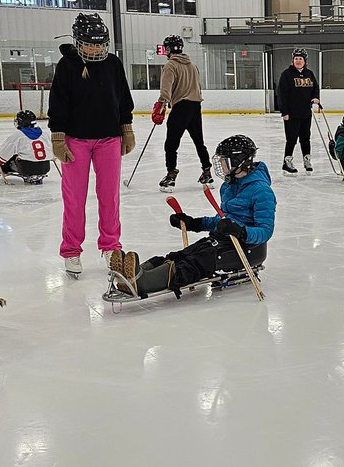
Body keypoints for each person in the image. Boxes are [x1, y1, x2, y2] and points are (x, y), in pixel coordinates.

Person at [111, 135, 274, 298]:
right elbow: (222, 221)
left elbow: (265, 231)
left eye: (225, 161)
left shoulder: (261, 191)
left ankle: (143, 282)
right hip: (222, 240)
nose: (221, 165)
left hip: (245, 247)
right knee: (182, 255)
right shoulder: (229, 186)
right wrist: (194, 223)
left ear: (238, 161)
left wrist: (241, 231)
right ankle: (134, 273)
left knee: (195, 263)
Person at [47, 13, 136, 278]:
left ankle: (110, 245)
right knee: (74, 198)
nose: (95, 49)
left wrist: (127, 129)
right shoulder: (67, 65)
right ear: (78, 41)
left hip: (109, 139)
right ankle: (71, 250)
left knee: (110, 196)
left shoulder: (113, 64)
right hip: (76, 140)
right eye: (89, 44)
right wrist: (58, 137)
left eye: (99, 44)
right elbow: (58, 103)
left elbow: (123, 99)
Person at [155, 34, 212, 191]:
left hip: (181, 108)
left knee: (171, 144)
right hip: (195, 106)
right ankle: (207, 172)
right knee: (199, 142)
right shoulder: (193, 66)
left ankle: (171, 175)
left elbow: (166, 88)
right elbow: (198, 87)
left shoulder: (170, 65)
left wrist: (161, 104)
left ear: (168, 49)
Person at [276, 48, 320, 174]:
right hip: (291, 114)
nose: (298, 61)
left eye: (300, 59)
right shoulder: (286, 74)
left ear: (305, 61)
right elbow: (282, 94)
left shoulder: (309, 74)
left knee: (306, 138)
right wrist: (284, 112)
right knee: (292, 139)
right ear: (293, 60)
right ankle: (287, 162)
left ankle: (307, 160)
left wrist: (316, 97)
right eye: (296, 58)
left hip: (306, 113)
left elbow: (315, 88)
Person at [0, 110, 54, 184]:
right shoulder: (44, 134)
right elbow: (53, 156)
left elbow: (0, 158)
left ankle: (6, 171)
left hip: (27, 168)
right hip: (45, 167)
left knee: (7, 155)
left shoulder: (18, 135)